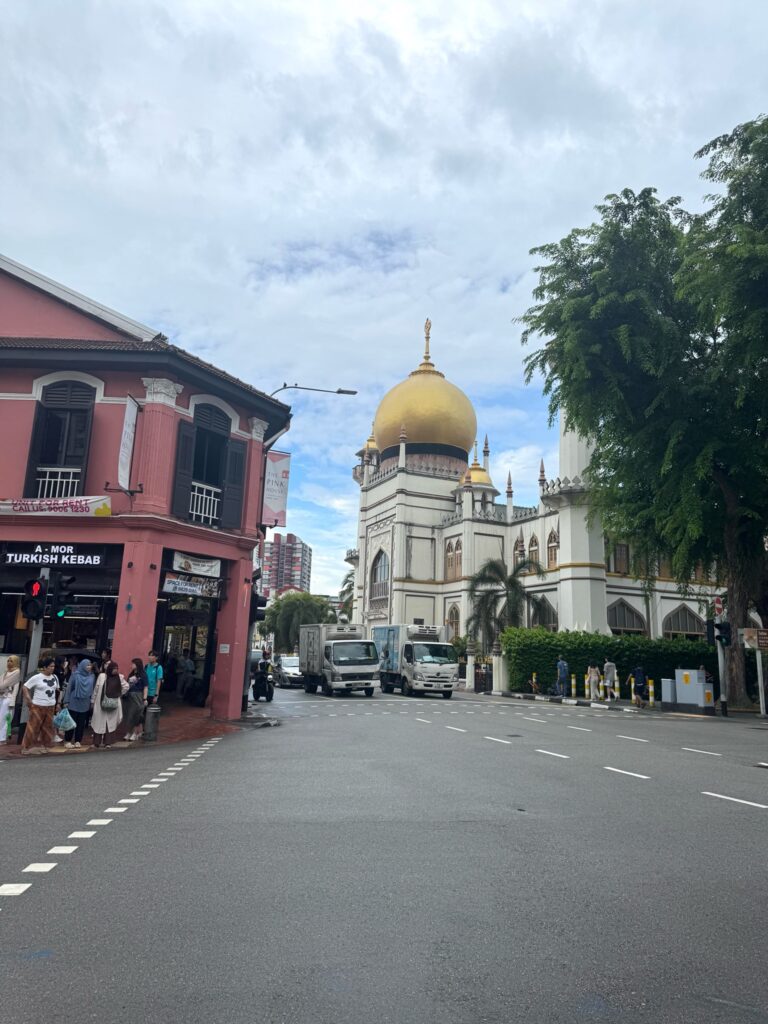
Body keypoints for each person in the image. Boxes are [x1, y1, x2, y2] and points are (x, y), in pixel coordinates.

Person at [21, 657, 61, 753]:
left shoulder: (55, 677)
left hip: (50, 706)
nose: (52, 668)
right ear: (45, 667)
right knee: (33, 726)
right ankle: (26, 747)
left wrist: (58, 703)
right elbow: (25, 687)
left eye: (53, 666)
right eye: (50, 666)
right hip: (38, 705)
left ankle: (44, 745)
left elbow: (58, 690)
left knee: (47, 727)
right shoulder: (37, 677)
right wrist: (28, 699)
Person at [91, 660, 126, 748]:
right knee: (98, 722)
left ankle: (108, 742)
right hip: (101, 703)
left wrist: (118, 693)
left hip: (113, 703)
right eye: (114, 668)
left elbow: (126, 686)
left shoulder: (119, 677)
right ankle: (96, 742)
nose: (115, 670)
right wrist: (93, 700)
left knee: (110, 723)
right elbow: (96, 689)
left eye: (116, 668)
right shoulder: (102, 676)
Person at [62, 658, 95, 748]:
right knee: (71, 722)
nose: (89, 667)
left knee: (81, 723)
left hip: (85, 702)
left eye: (90, 665)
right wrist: (66, 701)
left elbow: (92, 690)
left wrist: (92, 701)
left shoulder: (92, 676)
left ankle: (78, 740)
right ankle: (68, 740)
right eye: (87, 665)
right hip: (74, 701)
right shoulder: (75, 675)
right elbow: (69, 688)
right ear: (82, 666)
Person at [123, 658, 148, 741]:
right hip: (130, 696)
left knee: (136, 715)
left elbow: (145, 687)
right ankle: (128, 732)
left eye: (133, 664)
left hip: (138, 696)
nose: (132, 665)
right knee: (129, 715)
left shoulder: (143, 674)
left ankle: (135, 733)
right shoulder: (131, 674)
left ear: (137, 664)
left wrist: (145, 698)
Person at [0, 655, 21, 745]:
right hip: (1, 696)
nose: (9, 662)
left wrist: (12, 702)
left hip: (8, 698)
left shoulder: (16, 672)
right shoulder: (6, 672)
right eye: (8, 661)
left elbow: (3, 685)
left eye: (11, 661)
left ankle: (2, 738)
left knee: (4, 719)